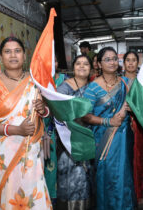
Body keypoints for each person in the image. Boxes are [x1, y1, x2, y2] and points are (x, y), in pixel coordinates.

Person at [0, 37, 52, 210]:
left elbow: (46, 112)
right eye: (7, 51)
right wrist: (17, 130)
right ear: (1, 57)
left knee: (35, 193)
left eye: (17, 51)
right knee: (11, 194)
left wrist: (43, 110)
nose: (13, 55)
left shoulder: (35, 81)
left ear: (25, 56)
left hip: (31, 149)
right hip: (5, 152)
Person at [82, 47, 135, 210]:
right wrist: (108, 121)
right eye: (107, 59)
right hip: (103, 140)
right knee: (107, 178)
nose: (112, 62)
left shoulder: (125, 83)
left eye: (114, 59)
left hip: (124, 138)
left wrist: (133, 108)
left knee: (123, 177)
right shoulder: (92, 88)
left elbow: (136, 108)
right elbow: (85, 116)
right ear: (98, 64)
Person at [55, 55, 93, 209]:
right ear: (73, 67)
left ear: (91, 68)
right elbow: (58, 110)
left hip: (89, 140)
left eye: (86, 64)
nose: (82, 66)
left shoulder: (93, 87)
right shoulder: (65, 88)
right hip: (69, 141)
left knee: (86, 181)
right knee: (72, 180)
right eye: (78, 64)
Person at [123, 51, 143, 206]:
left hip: (139, 126)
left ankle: (138, 192)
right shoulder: (118, 82)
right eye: (128, 60)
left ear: (138, 63)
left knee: (138, 160)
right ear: (123, 63)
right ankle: (124, 193)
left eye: (134, 60)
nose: (131, 63)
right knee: (123, 161)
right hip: (121, 126)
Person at [44, 53, 67, 205]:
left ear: (58, 63)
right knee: (49, 161)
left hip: (65, 125)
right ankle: (49, 195)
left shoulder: (65, 80)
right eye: (48, 61)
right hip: (47, 126)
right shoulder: (38, 81)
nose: (52, 64)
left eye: (55, 60)